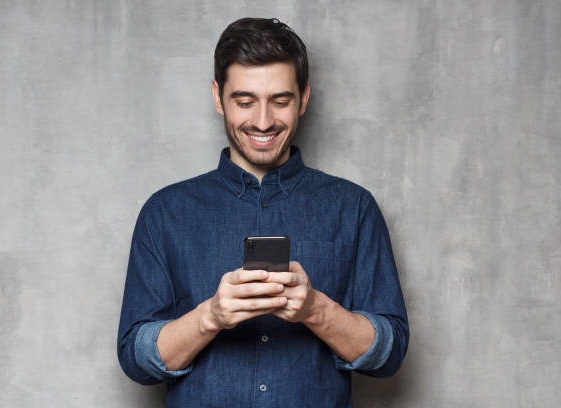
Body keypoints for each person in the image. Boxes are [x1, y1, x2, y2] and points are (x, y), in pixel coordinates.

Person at [117, 17, 409, 407]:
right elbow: (137, 359)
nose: (263, 121)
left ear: (304, 98)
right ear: (218, 97)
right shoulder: (165, 212)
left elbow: (389, 355)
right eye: (245, 101)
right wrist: (211, 317)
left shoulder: (353, 208)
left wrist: (315, 309)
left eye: (281, 101)